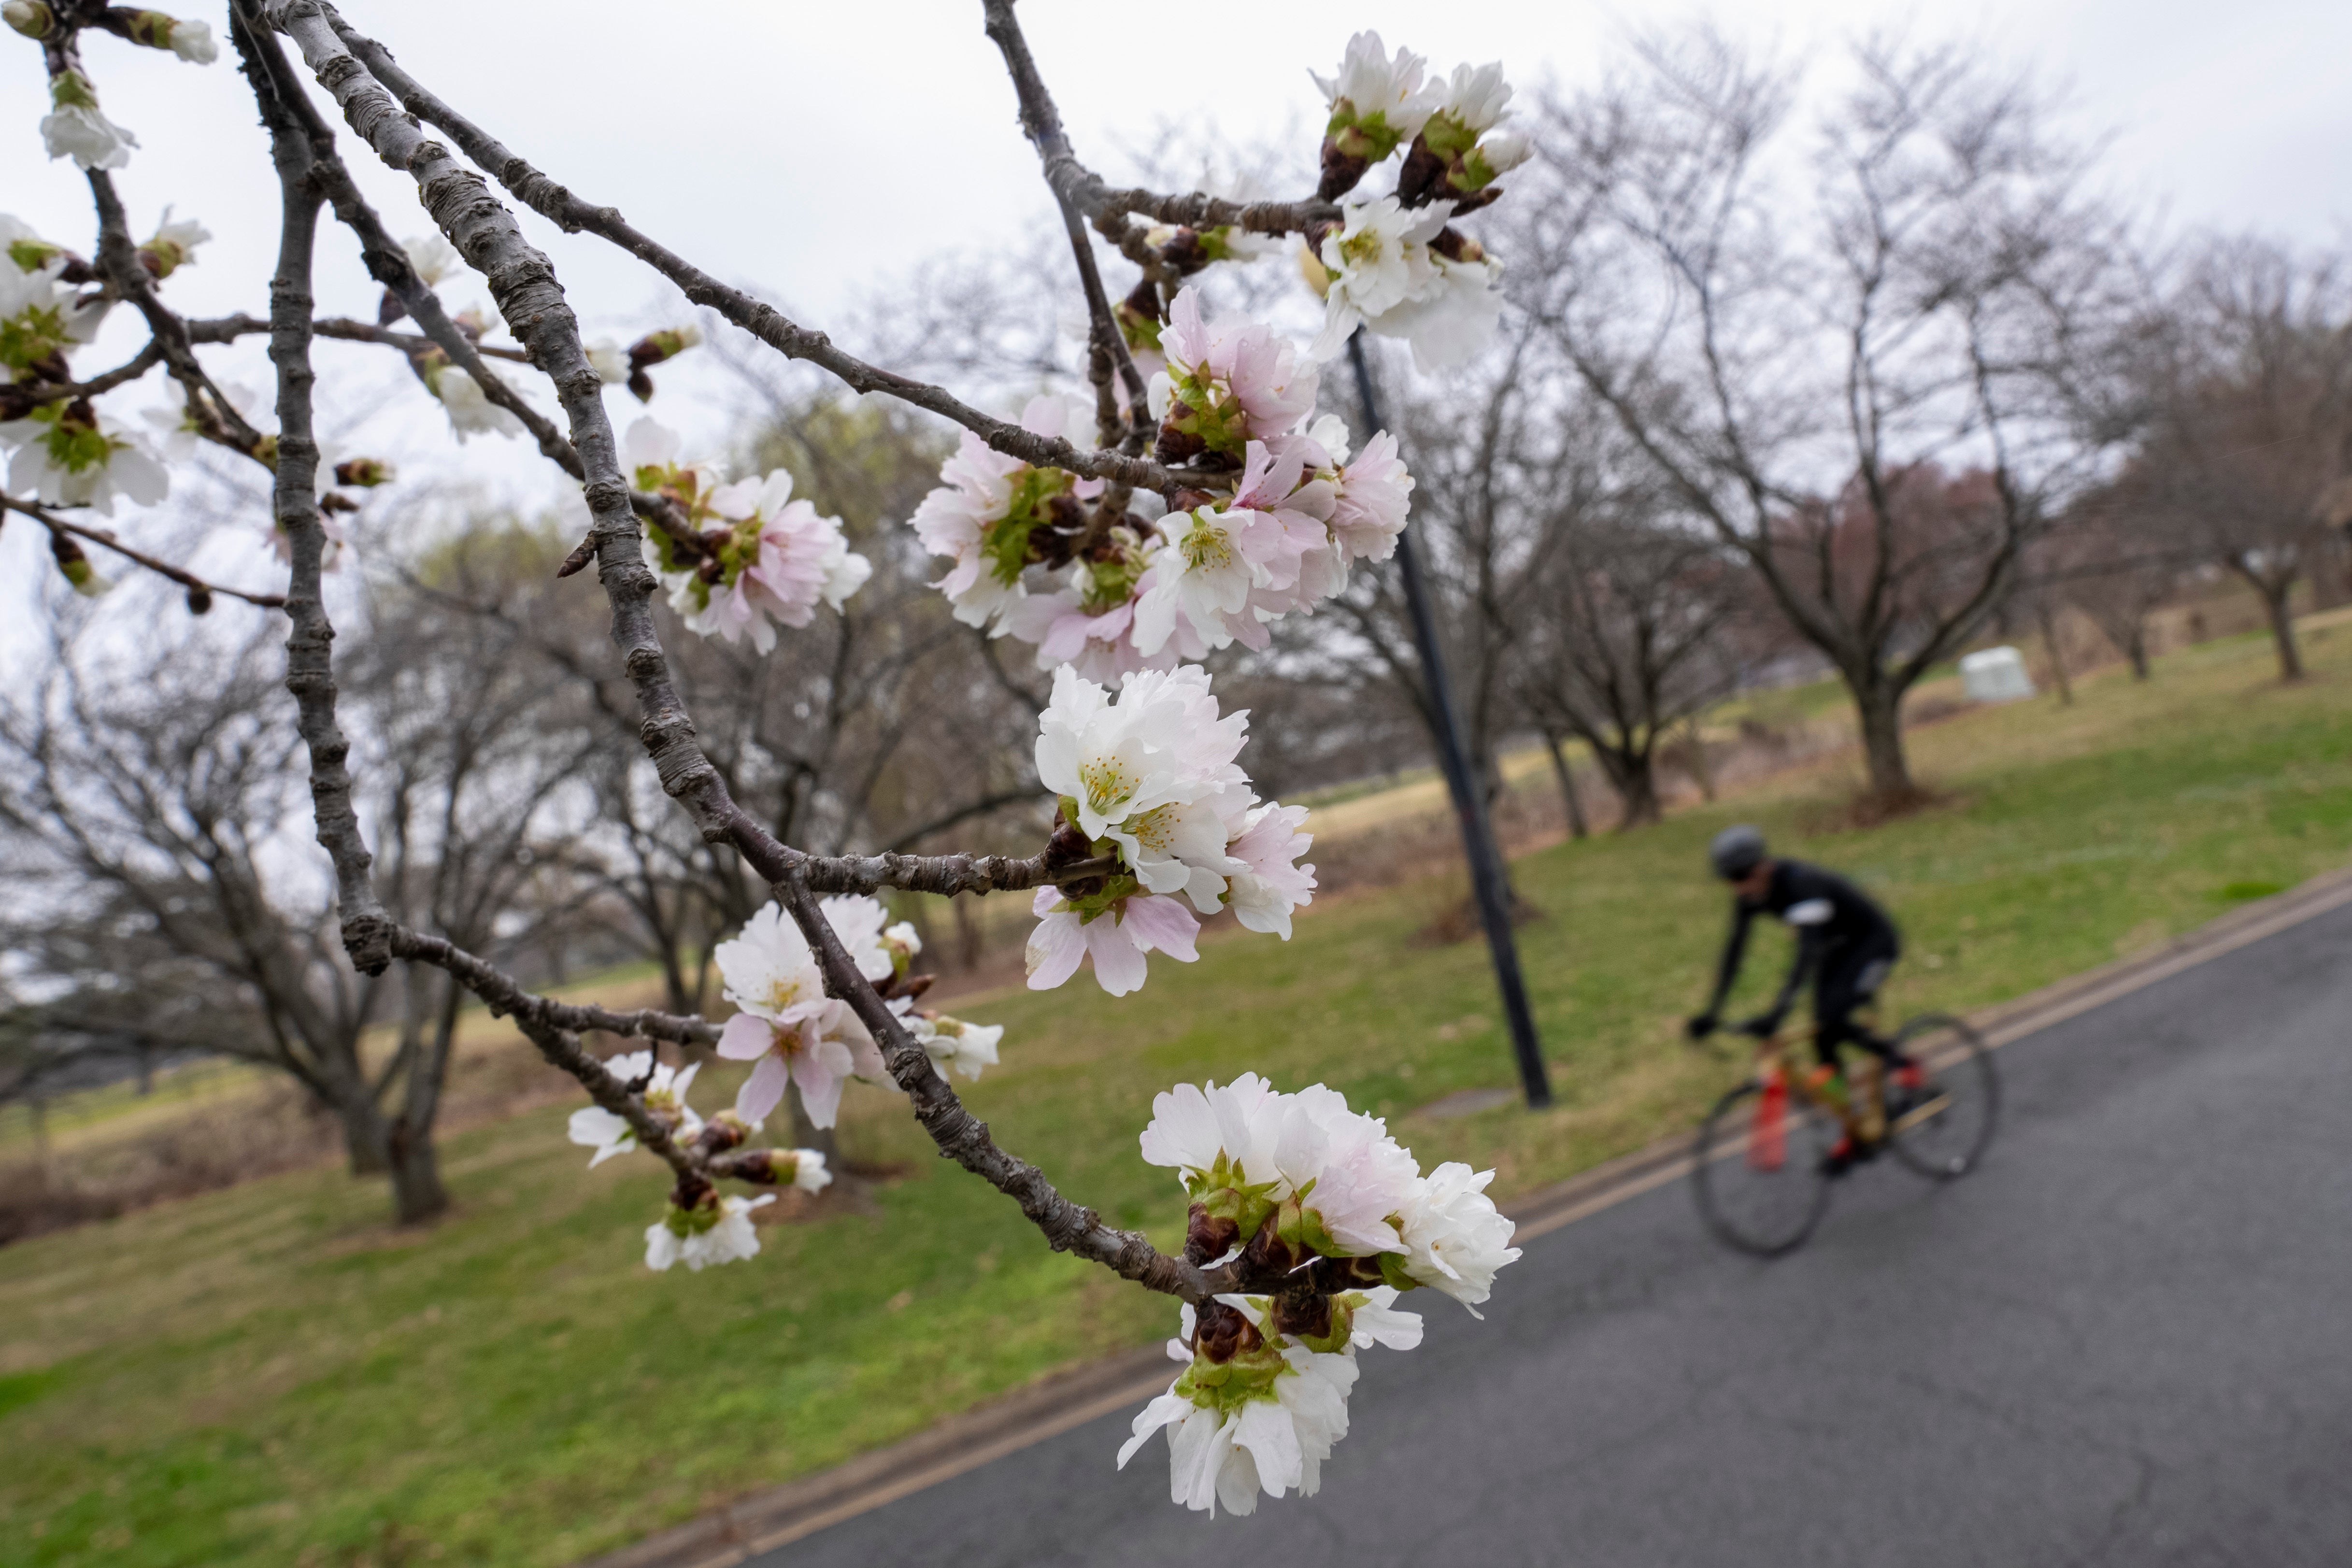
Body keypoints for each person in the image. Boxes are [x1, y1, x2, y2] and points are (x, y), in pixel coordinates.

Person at [1685, 824, 1918, 1172]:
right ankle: (1852, 1130)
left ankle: (1903, 1064)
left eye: (1742, 876)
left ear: (1761, 866)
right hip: (1836, 948)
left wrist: (1776, 1015)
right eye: (1730, 880)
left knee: (1833, 1017)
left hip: (1872, 942)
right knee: (1823, 1041)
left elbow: (1805, 959)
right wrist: (1711, 1012)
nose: (1738, 886)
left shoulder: (1800, 885)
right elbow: (1734, 953)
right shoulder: (1749, 898)